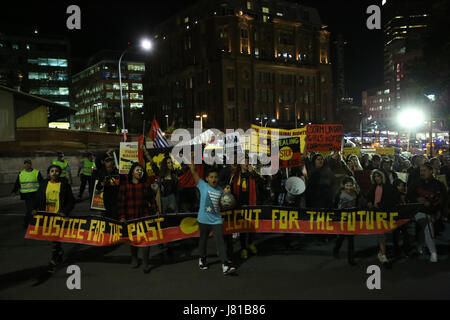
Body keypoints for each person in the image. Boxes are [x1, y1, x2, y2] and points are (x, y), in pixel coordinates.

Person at [188, 157, 236, 275]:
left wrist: (228, 198)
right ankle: (202, 258)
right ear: (207, 178)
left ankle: (225, 265)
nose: (214, 179)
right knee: (203, 241)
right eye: (211, 177)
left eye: (215, 177)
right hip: (203, 220)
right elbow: (193, 172)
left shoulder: (221, 190)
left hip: (216, 220)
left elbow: (224, 205)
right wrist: (191, 164)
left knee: (220, 241)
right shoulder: (202, 185)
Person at [31, 165, 75, 273]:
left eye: (56, 171)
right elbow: (38, 198)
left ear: (59, 173)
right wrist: (34, 208)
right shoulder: (43, 184)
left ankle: (53, 261)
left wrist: (64, 211)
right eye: (52, 171)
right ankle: (59, 253)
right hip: (46, 216)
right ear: (48, 173)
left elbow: (71, 201)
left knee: (55, 238)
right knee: (53, 238)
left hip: (58, 216)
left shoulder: (64, 185)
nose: (54, 173)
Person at [118, 163, 157, 273]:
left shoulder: (145, 185)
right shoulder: (125, 186)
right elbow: (121, 203)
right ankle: (134, 258)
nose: (139, 172)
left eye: (141, 170)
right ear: (132, 172)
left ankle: (145, 262)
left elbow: (151, 199)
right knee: (133, 239)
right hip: (131, 216)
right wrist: (122, 217)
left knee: (146, 239)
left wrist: (156, 210)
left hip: (144, 215)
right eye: (137, 170)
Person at [407, 163, 448, 262]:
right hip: (419, 211)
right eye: (421, 170)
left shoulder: (439, 184)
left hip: (434, 211)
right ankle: (433, 252)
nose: (422, 173)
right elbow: (409, 196)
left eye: (424, 170)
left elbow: (444, 199)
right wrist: (417, 199)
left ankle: (420, 246)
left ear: (431, 171)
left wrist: (442, 213)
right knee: (427, 224)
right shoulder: (415, 183)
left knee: (424, 227)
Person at [229, 156, 261, 260]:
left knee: (252, 225)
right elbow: (230, 188)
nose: (246, 163)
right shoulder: (235, 175)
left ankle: (251, 243)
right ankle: (243, 248)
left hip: (251, 203)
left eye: (247, 161)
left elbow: (261, 183)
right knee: (243, 227)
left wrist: (253, 173)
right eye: (244, 161)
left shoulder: (252, 174)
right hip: (239, 205)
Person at [367, 169, 393, 267]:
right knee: (380, 232)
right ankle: (383, 255)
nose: (377, 178)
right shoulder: (373, 187)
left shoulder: (389, 187)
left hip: (385, 212)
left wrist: (381, 204)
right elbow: (369, 197)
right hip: (376, 213)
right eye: (375, 176)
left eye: (379, 176)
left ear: (383, 177)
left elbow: (392, 200)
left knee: (383, 233)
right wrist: (369, 202)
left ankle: (381, 252)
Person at [333, 176, 360, 265]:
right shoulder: (339, 194)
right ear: (343, 185)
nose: (349, 187)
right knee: (341, 237)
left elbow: (357, 205)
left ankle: (351, 258)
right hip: (342, 220)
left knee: (351, 239)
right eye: (347, 185)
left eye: (351, 185)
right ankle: (336, 250)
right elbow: (335, 206)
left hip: (351, 220)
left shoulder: (355, 194)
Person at [11, 160, 44, 229]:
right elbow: (17, 183)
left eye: (28, 164)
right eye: (25, 164)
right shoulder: (21, 173)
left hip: (35, 193)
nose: (27, 165)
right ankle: (30, 223)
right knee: (31, 209)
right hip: (26, 194)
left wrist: (43, 191)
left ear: (31, 165)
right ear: (24, 165)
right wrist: (14, 191)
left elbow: (42, 182)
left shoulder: (36, 172)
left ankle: (28, 223)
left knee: (32, 209)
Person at [391, 179, 412, 257]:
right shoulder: (395, 195)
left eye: (403, 185)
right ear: (396, 186)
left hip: (402, 217)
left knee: (401, 234)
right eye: (401, 185)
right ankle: (399, 250)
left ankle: (399, 250)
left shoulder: (403, 194)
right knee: (399, 234)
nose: (403, 187)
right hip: (397, 217)